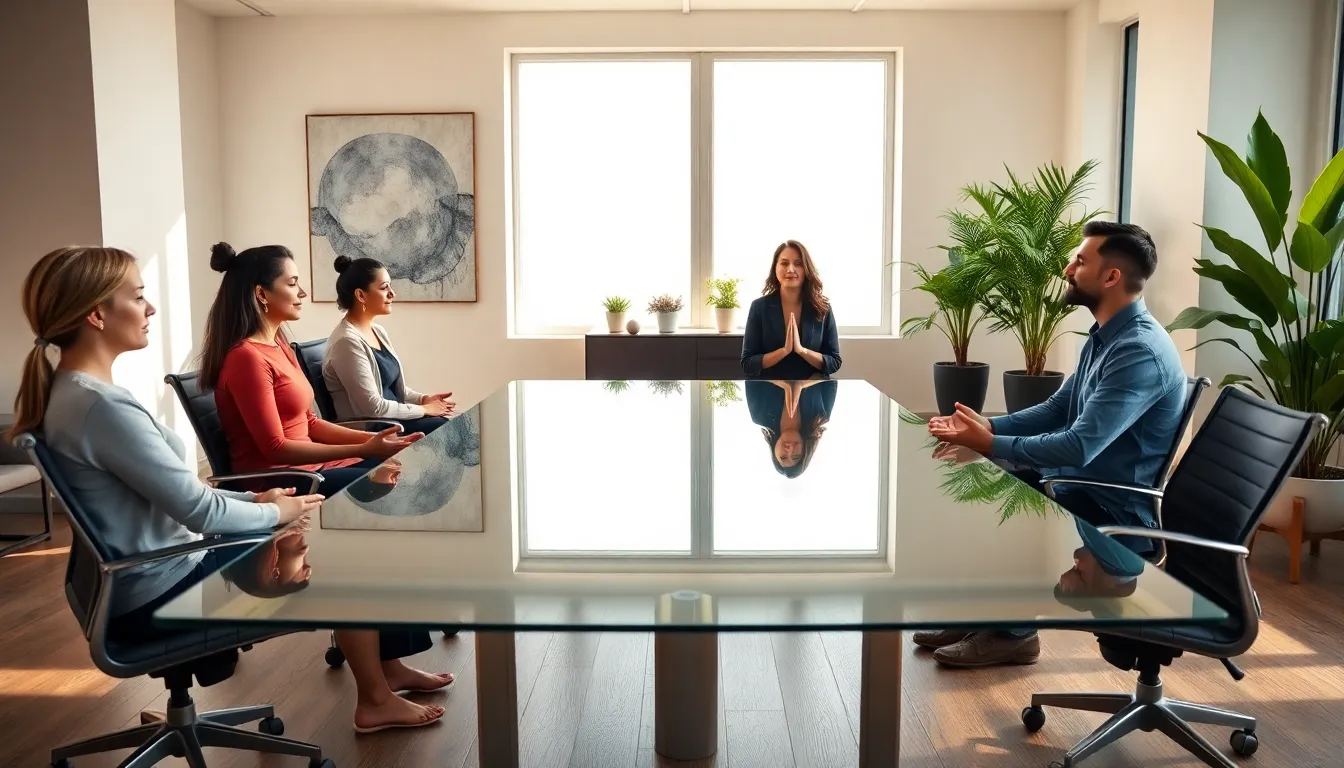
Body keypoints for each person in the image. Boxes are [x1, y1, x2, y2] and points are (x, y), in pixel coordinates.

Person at [16, 246, 450, 734]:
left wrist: (258, 502)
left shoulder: (73, 396)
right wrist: (277, 513)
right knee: (354, 556)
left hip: (146, 579)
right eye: (138, 297)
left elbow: (188, 497)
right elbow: (199, 510)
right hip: (163, 594)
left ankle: (382, 682)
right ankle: (374, 700)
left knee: (349, 538)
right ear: (97, 315)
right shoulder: (104, 408)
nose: (151, 308)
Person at [921, 221, 1185, 668]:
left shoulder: (1139, 350)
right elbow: (1058, 408)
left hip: (1114, 513)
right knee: (991, 482)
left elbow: (1079, 446)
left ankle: (1011, 635)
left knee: (1008, 497)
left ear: (1111, 277)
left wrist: (991, 443)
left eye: (1080, 260)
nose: (1067, 268)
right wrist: (988, 426)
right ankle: (984, 616)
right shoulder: (1107, 336)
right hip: (1084, 489)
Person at [199, 242, 423, 498]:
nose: (302, 293)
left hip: (313, 469)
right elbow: (276, 448)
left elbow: (309, 422)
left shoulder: (280, 345)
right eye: (292, 284)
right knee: (396, 486)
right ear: (261, 294)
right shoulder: (246, 358)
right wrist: (364, 449)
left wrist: (371, 440)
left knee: (406, 470)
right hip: (280, 482)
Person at [323, 255, 455, 437]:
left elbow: (392, 389)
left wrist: (423, 399)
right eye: (384, 287)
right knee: (446, 430)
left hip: (394, 420)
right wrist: (424, 410)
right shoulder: (346, 342)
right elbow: (373, 407)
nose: (392, 293)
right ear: (360, 295)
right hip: (374, 428)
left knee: (450, 424)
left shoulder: (377, 331)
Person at [740, 240, 842, 379]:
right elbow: (748, 363)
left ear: (806, 269)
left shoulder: (822, 308)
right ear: (775, 268)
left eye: (798, 263)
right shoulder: (759, 307)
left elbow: (834, 362)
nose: (790, 269)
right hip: (769, 389)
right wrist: (784, 351)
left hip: (811, 389)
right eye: (784, 263)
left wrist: (801, 350)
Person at [745, 379, 837, 478]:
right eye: (796, 456)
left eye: (783, 457)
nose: (789, 450)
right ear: (804, 451)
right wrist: (801, 384)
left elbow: (751, 375)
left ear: (774, 453)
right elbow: (832, 378)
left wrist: (781, 383)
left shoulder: (759, 415)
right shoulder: (821, 416)